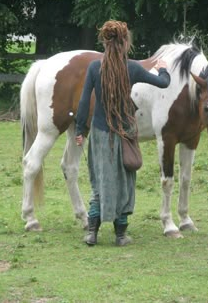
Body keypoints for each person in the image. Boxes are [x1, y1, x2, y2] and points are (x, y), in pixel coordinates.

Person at [75, 20, 170, 247]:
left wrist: (80, 129)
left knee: (99, 182)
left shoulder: (95, 67)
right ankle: (120, 235)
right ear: (124, 42)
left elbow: (84, 100)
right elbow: (163, 83)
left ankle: (92, 234)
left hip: (99, 133)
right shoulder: (133, 68)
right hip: (125, 133)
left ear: (105, 42)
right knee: (125, 182)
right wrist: (163, 67)